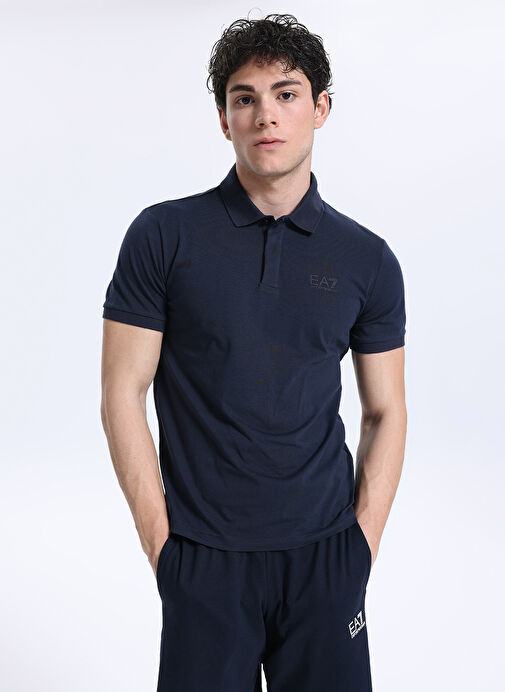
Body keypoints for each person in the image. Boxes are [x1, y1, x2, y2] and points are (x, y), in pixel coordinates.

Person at [100, 12, 407, 692]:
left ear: (320, 108)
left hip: (326, 558)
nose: (265, 114)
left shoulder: (367, 259)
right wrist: (165, 552)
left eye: (285, 93)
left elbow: (385, 411)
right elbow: (122, 392)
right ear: (224, 119)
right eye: (245, 97)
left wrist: (359, 548)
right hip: (203, 560)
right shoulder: (163, 236)